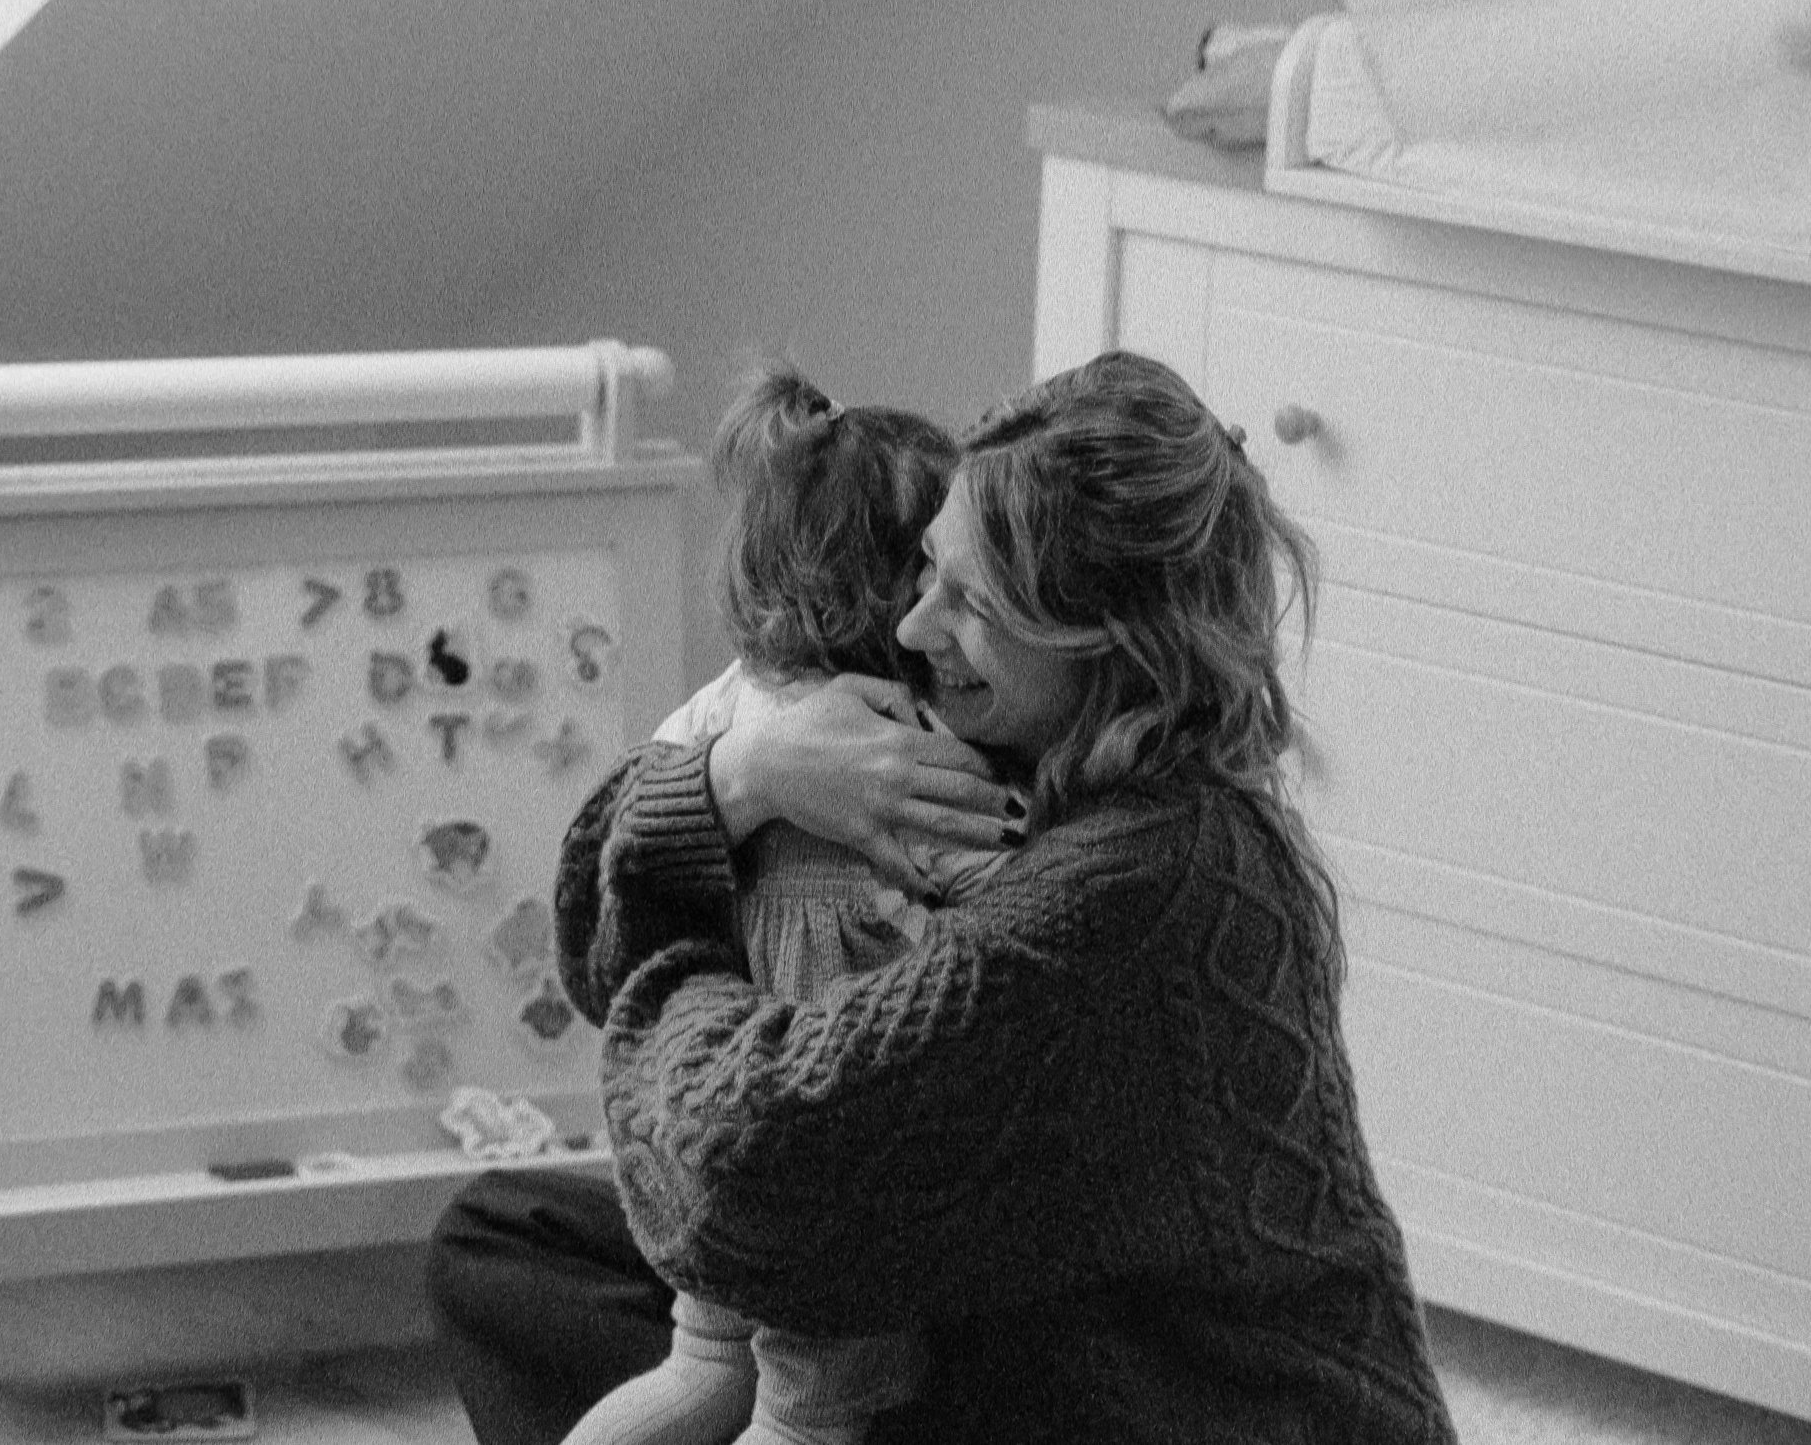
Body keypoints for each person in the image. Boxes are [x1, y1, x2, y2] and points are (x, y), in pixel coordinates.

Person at [429, 350, 1457, 1445]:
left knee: (765, 1301)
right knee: (505, 1241)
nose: (914, 628)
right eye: (927, 569)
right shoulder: (997, 746)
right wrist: (741, 777)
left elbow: (747, 1160)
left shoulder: (1135, 883)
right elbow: (590, 937)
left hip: (1155, 1405)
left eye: (973, 605)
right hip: (985, 1311)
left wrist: (678, 946)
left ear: (1112, 640)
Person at [574, 364, 1015, 1445]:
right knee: (805, 1422)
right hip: (843, 1176)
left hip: (717, 1154)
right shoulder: (913, 749)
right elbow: (1012, 908)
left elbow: (615, 840)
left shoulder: (724, 706)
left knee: (697, 1374)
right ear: (905, 596)